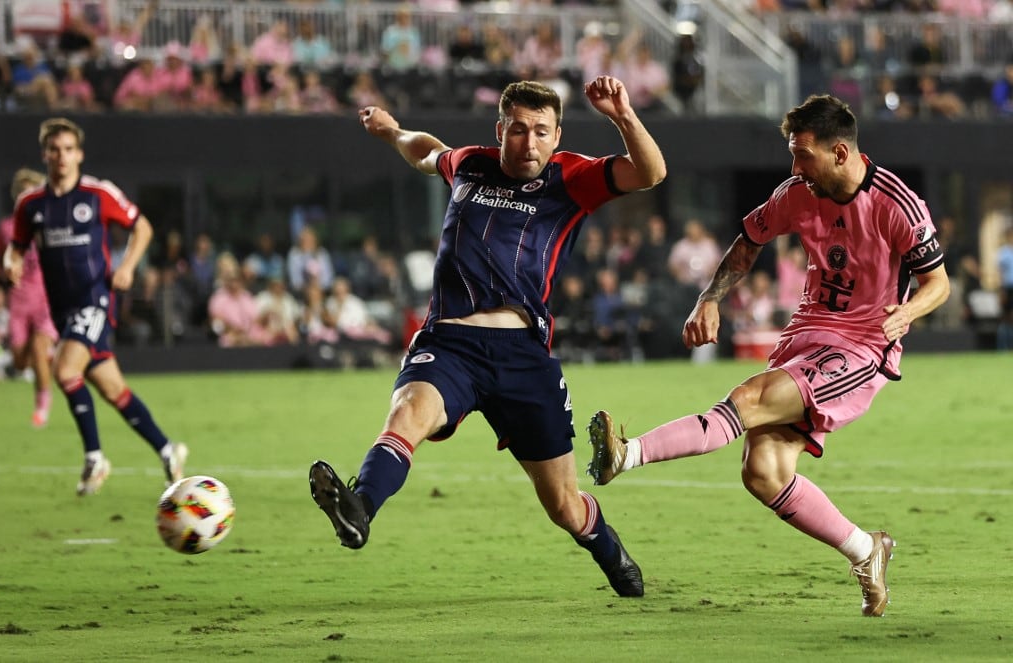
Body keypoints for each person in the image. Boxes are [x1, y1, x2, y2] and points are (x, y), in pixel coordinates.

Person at [586, 94, 950, 616]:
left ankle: (628, 453)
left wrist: (908, 312)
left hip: (861, 346)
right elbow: (748, 240)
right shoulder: (798, 193)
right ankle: (866, 550)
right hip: (805, 335)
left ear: (841, 153)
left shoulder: (897, 204)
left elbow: (940, 283)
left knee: (750, 398)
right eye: (792, 153)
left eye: (804, 154)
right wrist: (709, 298)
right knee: (763, 472)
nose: (795, 166)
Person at [308, 77, 666, 597]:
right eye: (518, 130)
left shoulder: (572, 178)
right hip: (449, 344)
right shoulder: (470, 164)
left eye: (542, 132)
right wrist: (391, 133)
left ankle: (609, 549)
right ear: (500, 130)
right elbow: (426, 152)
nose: (529, 142)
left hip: (523, 357)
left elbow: (652, 172)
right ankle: (359, 508)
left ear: (556, 135)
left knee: (564, 505)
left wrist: (623, 115)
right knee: (407, 414)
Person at [3, 118, 188, 496]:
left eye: (69, 149)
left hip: (95, 300)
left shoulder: (98, 194)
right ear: (45, 155)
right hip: (62, 311)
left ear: (80, 154)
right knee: (111, 388)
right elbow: (17, 245)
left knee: (65, 369)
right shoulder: (31, 205)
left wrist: (128, 266)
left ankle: (94, 457)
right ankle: (168, 450)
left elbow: (143, 227)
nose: (62, 157)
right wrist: (12, 260)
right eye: (55, 150)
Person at [0, 168, 57, 426]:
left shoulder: (51, 224)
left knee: (39, 349)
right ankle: (49, 358)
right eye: (21, 191)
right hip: (18, 303)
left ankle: (42, 405)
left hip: (46, 300)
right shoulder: (6, 229)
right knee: (19, 360)